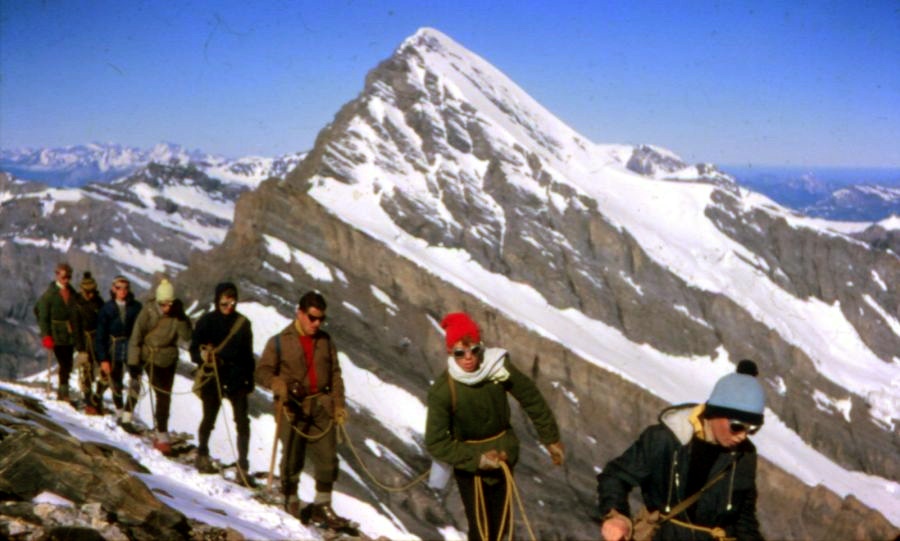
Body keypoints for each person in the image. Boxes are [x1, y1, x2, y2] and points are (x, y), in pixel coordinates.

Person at [425, 312, 565, 541]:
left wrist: (551, 438)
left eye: (474, 351)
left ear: (481, 348)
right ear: (451, 353)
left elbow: (530, 397)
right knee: (481, 530)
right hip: (470, 465)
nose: (468, 358)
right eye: (461, 353)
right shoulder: (443, 391)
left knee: (501, 526)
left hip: (504, 454)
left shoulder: (498, 368)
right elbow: (436, 442)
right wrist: (478, 459)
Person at [596, 360, 766, 541]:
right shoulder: (665, 438)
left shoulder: (745, 455)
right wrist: (617, 516)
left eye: (752, 429)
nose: (743, 436)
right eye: (737, 426)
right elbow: (615, 476)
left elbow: (744, 519)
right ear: (715, 412)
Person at [256, 291, 350, 530]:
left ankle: (322, 505)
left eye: (321, 319)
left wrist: (338, 404)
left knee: (328, 458)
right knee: (292, 456)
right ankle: (291, 499)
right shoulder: (279, 341)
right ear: (299, 313)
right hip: (291, 408)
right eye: (312, 317)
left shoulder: (326, 341)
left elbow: (336, 374)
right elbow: (262, 371)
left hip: (322, 406)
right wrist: (278, 384)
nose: (316, 323)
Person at [189, 282, 256, 487]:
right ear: (218, 301)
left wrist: (249, 380)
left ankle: (242, 466)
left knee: (242, 421)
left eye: (232, 302)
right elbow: (193, 350)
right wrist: (204, 357)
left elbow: (248, 355)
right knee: (210, 416)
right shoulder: (207, 322)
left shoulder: (243, 324)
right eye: (225, 302)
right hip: (214, 375)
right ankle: (202, 454)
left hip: (236, 376)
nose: (229, 306)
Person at [125, 278, 192, 454]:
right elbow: (136, 336)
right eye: (163, 304)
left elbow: (186, 336)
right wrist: (133, 362)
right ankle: (128, 417)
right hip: (149, 355)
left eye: (169, 303)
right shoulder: (147, 311)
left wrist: (182, 318)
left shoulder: (177, 313)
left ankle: (161, 431)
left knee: (165, 395)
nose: (166, 308)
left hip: (168, 358)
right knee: (148, 387)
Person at [95, 275, 142, 418]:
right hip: (113, 346)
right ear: (113, 289)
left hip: (131, 346)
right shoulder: (106, 308)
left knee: (136, 378)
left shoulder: (136, 307)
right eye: (119, 288)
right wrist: (103, 359)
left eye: (126, 288)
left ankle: (128, 414)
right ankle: (120, 410)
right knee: (115, 380)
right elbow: (100, 335)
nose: (122, 291)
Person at [36, 262, 84, 402]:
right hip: (56, 334)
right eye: (63, 277)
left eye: (68, 277)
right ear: (57, 275)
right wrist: (46, 335)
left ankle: (64, 391)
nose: (66, 280)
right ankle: (63, 392)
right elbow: (41, 314)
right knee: (64, 363)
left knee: (68, 363)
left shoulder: (73, 294)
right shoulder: (49, 295)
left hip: (69, 335)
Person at [74, 271, 104, 414]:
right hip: (84, 342)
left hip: (97, 339)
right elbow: (75, 327)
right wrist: (80, 348)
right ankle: (88, 402)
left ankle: (97, 398)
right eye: (87, 292)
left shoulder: (99, 303)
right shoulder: (77, 304)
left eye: (92, 292)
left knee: (103, 371)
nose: (90, 294)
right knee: (86, 372)